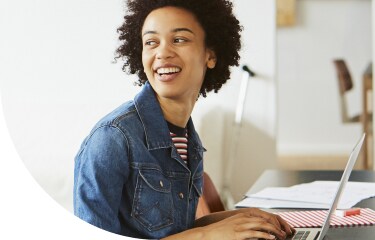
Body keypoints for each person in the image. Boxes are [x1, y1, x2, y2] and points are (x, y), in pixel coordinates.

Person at [73, 0, 295, 239]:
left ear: (210, 55)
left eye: (179, 39)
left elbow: (178, 229)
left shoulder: (187, 138)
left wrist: (244, 217)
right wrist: (208, 235)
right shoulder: (112, 137)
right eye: (151, 42)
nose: (163, 52)